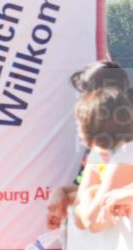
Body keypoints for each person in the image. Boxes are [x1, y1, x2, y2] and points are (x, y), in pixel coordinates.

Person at [47, 60, 130, 229]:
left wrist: (87, 195)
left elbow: (92, 217)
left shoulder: (125, 147)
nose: (84, 100)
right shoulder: (101, 147)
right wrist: (62, 193)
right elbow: (93, 188)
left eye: (87, 93)